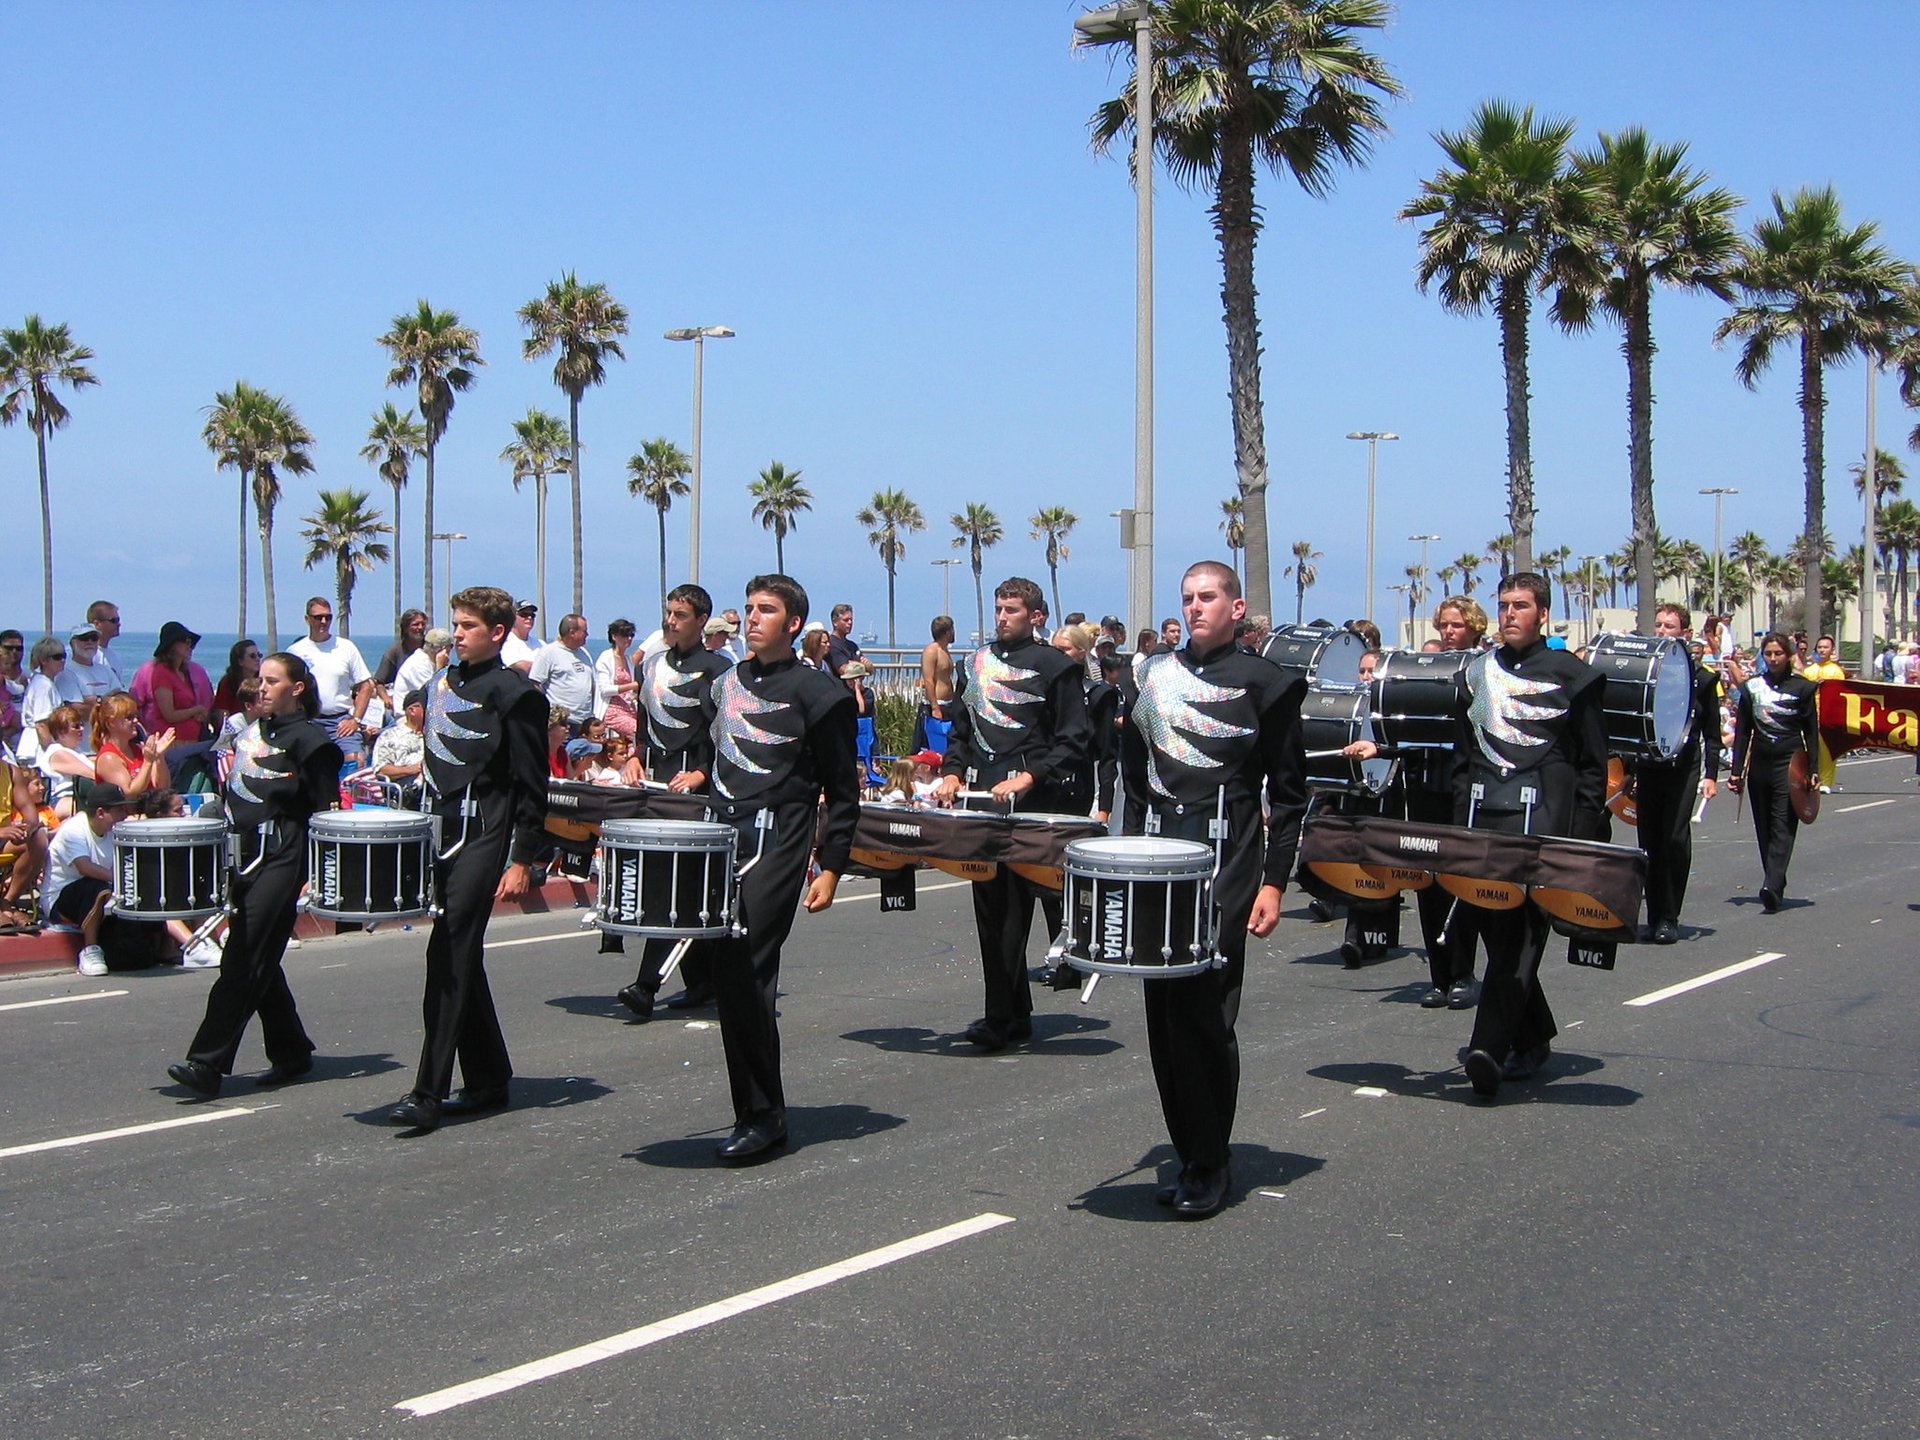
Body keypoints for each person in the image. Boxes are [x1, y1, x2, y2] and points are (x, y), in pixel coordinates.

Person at [1120, 561, 1307, 1218]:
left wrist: (1275, 883)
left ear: (1236, 608)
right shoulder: (1147, 676)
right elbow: (1134, 780)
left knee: (1204, 1007)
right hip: (1157, 856)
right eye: (1188, 599)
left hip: (1228, 857)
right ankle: (1188, 1148)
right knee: (1163, 1014)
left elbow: (1289, 795)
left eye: (1208, 598)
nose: (1196, 608)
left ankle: (1212, 1159)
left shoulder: (1268, 682)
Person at [698, 573, 859, 1163]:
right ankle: (753, 1108)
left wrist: (831, 867)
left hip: (778, 842)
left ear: (793, 624)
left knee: (748, 970)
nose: (752, 618)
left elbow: (844, 792)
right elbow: (710, 752)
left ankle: (764, 1117)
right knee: (728, 978)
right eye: (748, 608)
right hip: (721, 839)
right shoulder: (725, 683)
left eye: (766, 610)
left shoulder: (821, 695)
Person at [387, 586, 548, 1132]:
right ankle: (487, 1078)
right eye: (455, 624)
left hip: (487, 829)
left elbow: (532, 782)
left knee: (450, 953)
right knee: (458, 955)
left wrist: (522, 857)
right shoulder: (441, 683)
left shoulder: (516, 692)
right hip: (439, 828)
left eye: (468, 626)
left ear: (497, 632)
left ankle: (427, 1091)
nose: (456, 634)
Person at [1454, 573, 1607, 1100]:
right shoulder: (1476, 673)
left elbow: (1593, 764)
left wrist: (1578, 836)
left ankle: (1487, 1049)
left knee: (1521, 934)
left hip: (1545, 820)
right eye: (1503, 606)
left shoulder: (1574, 675)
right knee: (1493, 932)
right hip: (1483, 819)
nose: (1510, 614)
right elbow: (1461, 755)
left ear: (1542, 612)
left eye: (1520, 605)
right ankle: (1534, 1034)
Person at [166, 653, 344, 1098]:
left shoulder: (311, 742)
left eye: (271, 681)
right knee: (257, 954)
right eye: (258, 680)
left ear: (296, 688)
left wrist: (318, 873)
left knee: (243, 957)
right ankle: (291, 1051)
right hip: (244, 856)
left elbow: (327, 813)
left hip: (285, 854)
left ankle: (207, 1063)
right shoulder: (250, 733)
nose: (260, 688)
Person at [933, 577, 1091, 1050]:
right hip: (983, 801)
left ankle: (1020, 1003)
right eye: (999, 609)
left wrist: (1030, 776)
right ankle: (1006, 1014)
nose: (1002, 617)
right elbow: (961, 729)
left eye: (1012, 610)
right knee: (992, 910)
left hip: (1035, 805)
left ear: (1035, 616)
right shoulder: (977, 662)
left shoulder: (1056, 667)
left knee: (1027, 906)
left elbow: (1073, 740)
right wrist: (953, 772)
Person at [611, 584, 731, 1013]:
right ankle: (704, 981)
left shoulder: (719, 671)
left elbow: (724, 734)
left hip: (696, 794)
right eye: (668, 613)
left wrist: (701, 771)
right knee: (667, 884)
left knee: (676, 886)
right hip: (656, 786)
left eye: (680, 614)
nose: (670, 621)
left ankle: (647, 985)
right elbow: (643, 724)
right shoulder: (655, 666)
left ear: (700, 620)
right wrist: (633, 758)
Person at [1636, 604, 1723, 943]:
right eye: (1657, 624)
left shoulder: (1702, 679)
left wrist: (1712, 776)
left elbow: (1713, 735)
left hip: (1683, 767)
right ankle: (1654, 914)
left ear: (1685, 633)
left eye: (1669, 626)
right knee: (1649, 842)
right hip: (1649, 765)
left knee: (1673, 837)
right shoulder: (1646, 676)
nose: (1661, 631)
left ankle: (1669, 916)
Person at [1728, 632, 1819, 913]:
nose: (1773, 659)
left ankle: (1771, 884)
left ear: (1788, 655)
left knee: (1782, 823)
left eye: (1778, 653)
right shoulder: (1751, 688)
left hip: (1790, 761)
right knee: (1764, 825)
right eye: (1768, 654)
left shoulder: (1802, 688)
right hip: (1760, 764)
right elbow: (1742, 733)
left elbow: (1811, 732)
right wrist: (1736, 771)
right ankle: (1775, 882)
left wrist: (1814, 769)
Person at [288, 598, 374, 766]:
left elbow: (366, 685)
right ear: (307, 619)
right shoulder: (295, 651)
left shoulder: (345, 647)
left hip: (340, 721)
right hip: (308, 720)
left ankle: (347, 793)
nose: (323, 622)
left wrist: (355, 720)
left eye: (328, 617)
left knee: (356, 761)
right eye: (318, 617)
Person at [90, 693, 175, 801]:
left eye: (136, 716)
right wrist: (148, 762)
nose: (136, 721)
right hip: (127, 816)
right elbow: (129, 794)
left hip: (148, 812)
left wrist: (159, 757)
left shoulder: (138, 750)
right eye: (129, 717)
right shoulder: (108, 757)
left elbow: (162, 788)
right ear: (111, 723)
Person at [1, 764, 52, 926]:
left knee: (38, 838)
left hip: (3, 840)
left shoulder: (10, 771)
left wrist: (25, 830)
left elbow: (30, 815)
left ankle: (7, 901)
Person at [530, 613, 597, 732]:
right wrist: (548, 711)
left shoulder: (584, 653)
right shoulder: (549, 652)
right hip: (562, 723)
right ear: (572, 632)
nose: (587, 634)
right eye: (584, 631)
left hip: (584, 722)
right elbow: (535, 683)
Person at [34, 704, 96, 817]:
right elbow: (93, 775)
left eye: (81, 725)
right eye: (76, 726)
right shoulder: (57, 752)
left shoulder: (77, 752)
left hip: (81, 799)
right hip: (63, 801)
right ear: (61, 731)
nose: (81, 729)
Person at [914, 615, 957, 754]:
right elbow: (928, 680)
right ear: (948, 632)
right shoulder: (932, 650)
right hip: (936, 704)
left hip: (948, 703)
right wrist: (935, 707)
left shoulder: (945, 651)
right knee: (934, 748)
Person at [370, 688, 427, 790]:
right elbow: (381, 770)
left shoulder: (435, 736)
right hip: (404, 789)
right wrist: (411, 769)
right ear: (412, 710)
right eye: (426, 706)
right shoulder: (390, 736)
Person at [596, 618, 640, 741]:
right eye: (625, 635)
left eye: (631, 635)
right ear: (614, 636)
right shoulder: (606, 658)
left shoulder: (628, 660)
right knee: (637, 730)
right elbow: (604, 690)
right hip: (613, 710)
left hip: (630, 708)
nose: (629, 639)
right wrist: (632, 686)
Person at [373, 608, 429, 705]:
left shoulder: (430, 649)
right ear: (406, 628)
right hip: (401, 702)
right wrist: (386, 699)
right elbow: (379, 682)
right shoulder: (394, 651)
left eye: (423, 624)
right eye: (416, 624)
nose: (420, 627)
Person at [213, 640, 263, 729]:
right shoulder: (228, 682)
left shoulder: (263, 681)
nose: (257, 659)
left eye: (259, 655)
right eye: (252, 656)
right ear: (240, 661)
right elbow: (222, 715)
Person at [393, 625, 450, 704]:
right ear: (443, 648)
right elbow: (435, 696)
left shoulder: (429, 662)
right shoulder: (419, 665)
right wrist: (440, 668)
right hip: (407, 714)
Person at [66, 623, 118, 701]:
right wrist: (107, 698)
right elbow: (77, 706)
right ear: (72, 643)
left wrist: (94, 700)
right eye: (84, 638)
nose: (90, 642)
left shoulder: (106, 670)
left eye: (94, 638)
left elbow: (120, 694)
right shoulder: (66, 672)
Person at [85, 600, 126, 687]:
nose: (119, 624)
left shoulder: (114, 657)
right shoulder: (83, 655)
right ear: (97, 624)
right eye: (114, 620)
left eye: (118, 620)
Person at [501, 600, 540, 672]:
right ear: (513, 617)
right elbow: (522, 666)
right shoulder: (504, 642)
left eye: (532, 615)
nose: (529, 618)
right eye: (524, 614)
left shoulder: (541, 644)